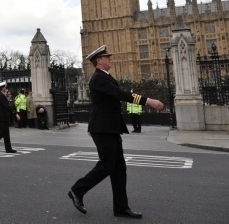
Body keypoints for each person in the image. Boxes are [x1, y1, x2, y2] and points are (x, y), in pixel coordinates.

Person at [68, 45, 164, 219]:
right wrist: (147, 100)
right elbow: (119, 94)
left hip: (109, 128)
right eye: (107, 58)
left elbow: (98, 104)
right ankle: (77, 190)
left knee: (119, 169)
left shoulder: (104, 77)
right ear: (99, 61)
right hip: (103, 129)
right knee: (107, 165)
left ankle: (121, 207)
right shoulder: (98, 78)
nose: (110, 59)